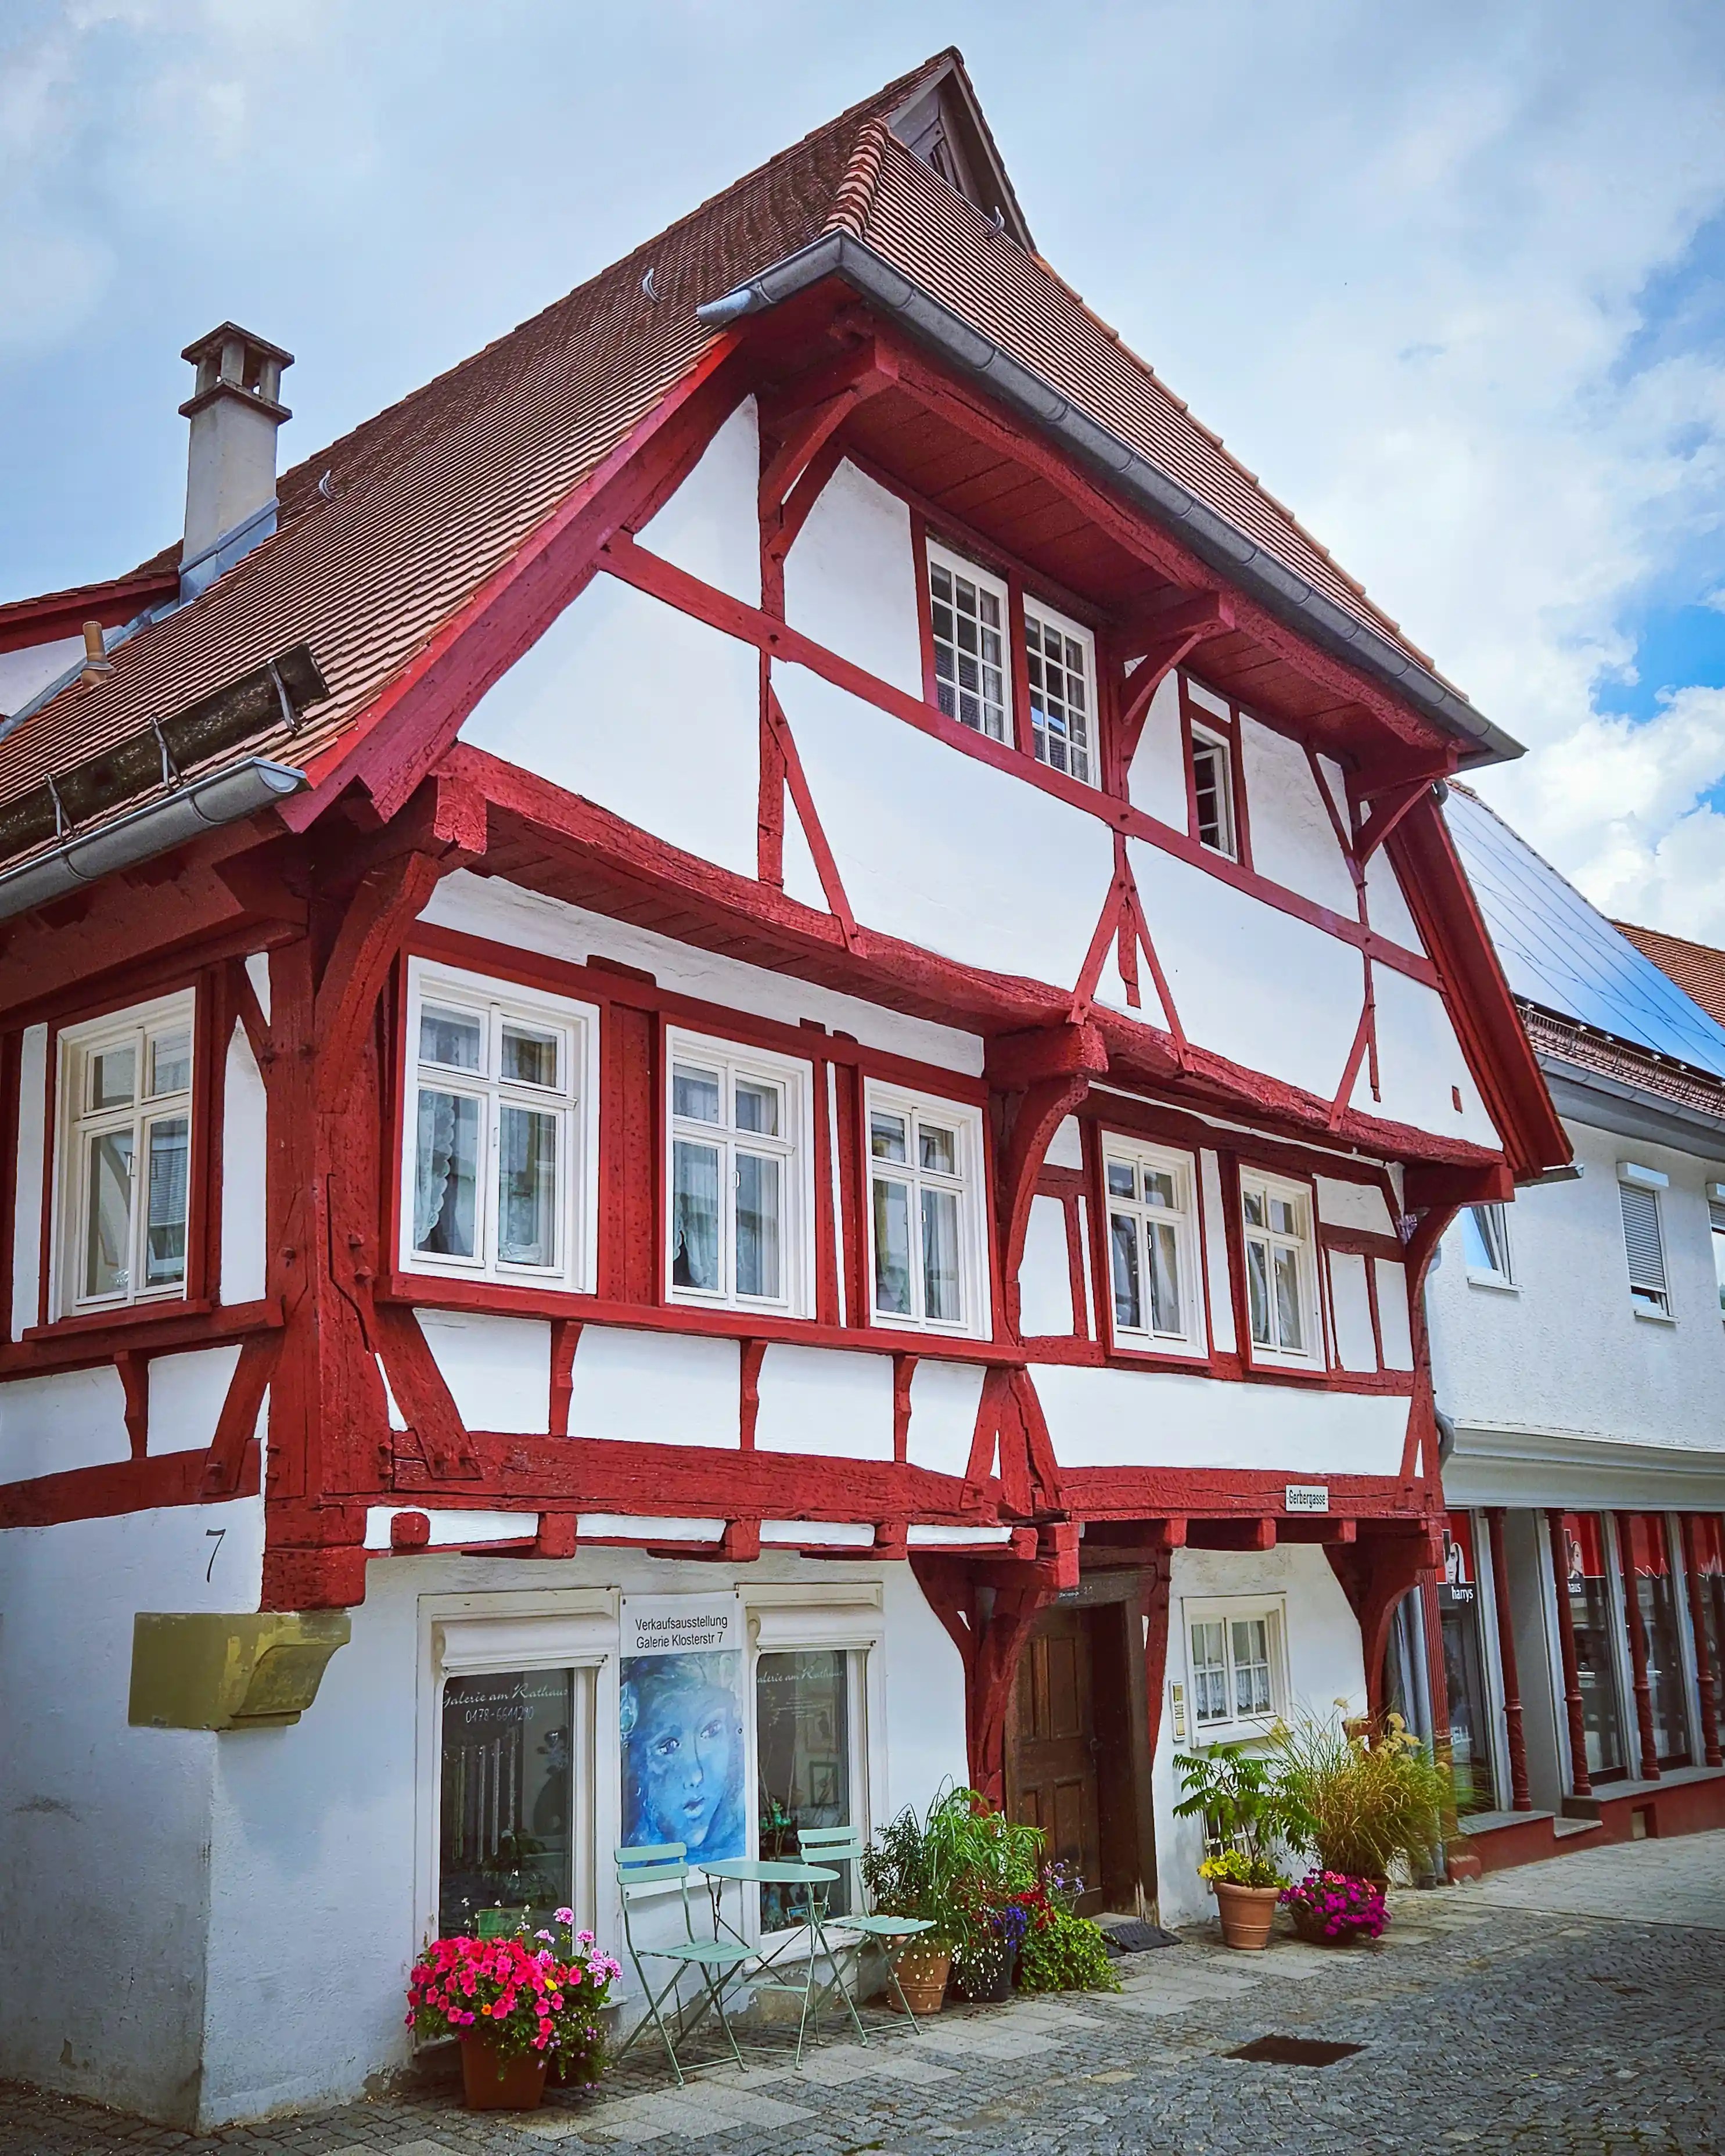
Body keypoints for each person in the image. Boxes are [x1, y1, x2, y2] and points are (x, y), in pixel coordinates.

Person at [621, 1652, 745, 1862]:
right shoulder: (632, 1861)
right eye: (668, 1747)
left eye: (712, 1730)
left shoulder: (740, 1842)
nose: (696, 1776)